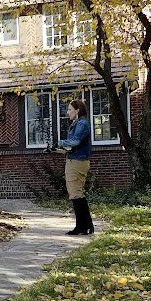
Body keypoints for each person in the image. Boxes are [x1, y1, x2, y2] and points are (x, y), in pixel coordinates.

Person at [54, 98, 94, 235]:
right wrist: (55, 149)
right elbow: (71, 147)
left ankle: (83, 227)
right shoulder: (78, 123)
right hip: (74, 160)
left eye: (70, 109)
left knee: (76, 194)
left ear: (77, 110)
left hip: (77, 162)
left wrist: (60, 143)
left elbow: (75, 141)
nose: (68, 112)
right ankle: (86, 225)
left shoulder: (82, 123)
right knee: (76, 194)